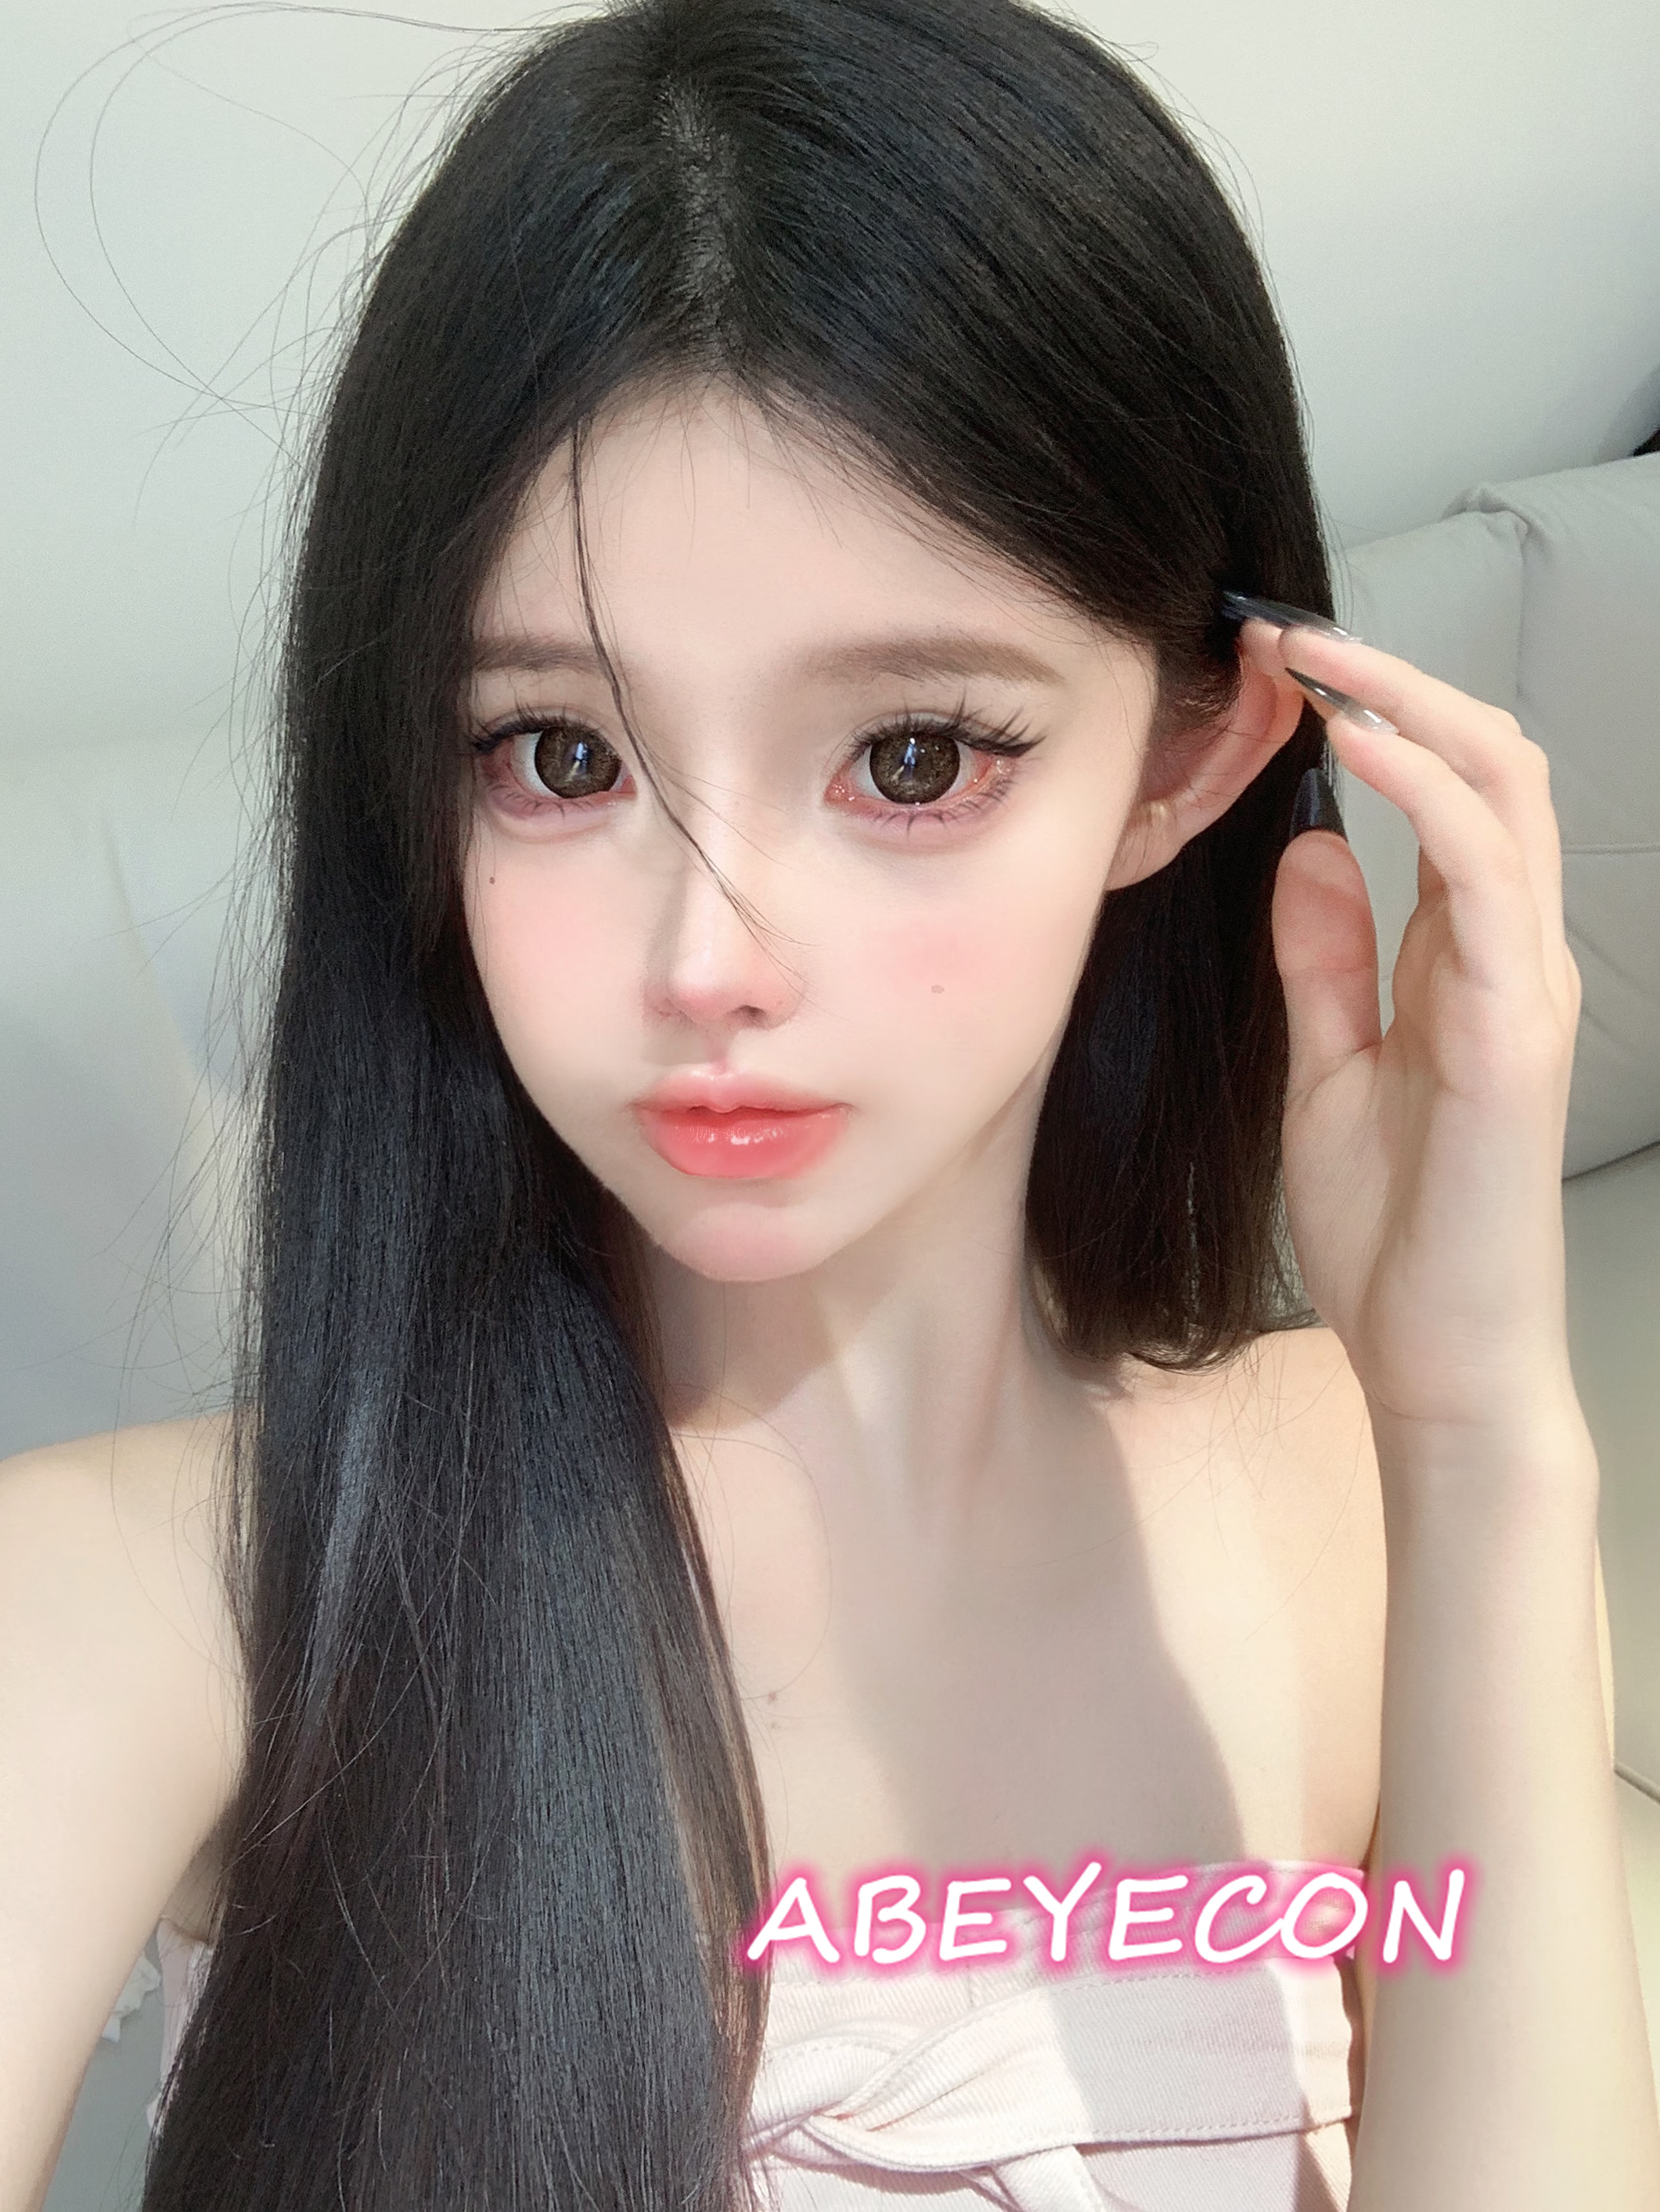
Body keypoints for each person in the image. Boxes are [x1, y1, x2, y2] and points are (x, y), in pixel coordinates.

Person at [2, 1, 1655, 2207]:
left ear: (1188, 756)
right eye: (564, 757)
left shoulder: (1362, 1511)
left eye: (910, 757)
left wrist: (1477, 1429)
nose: (711, 960)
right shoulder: (147, 1609)